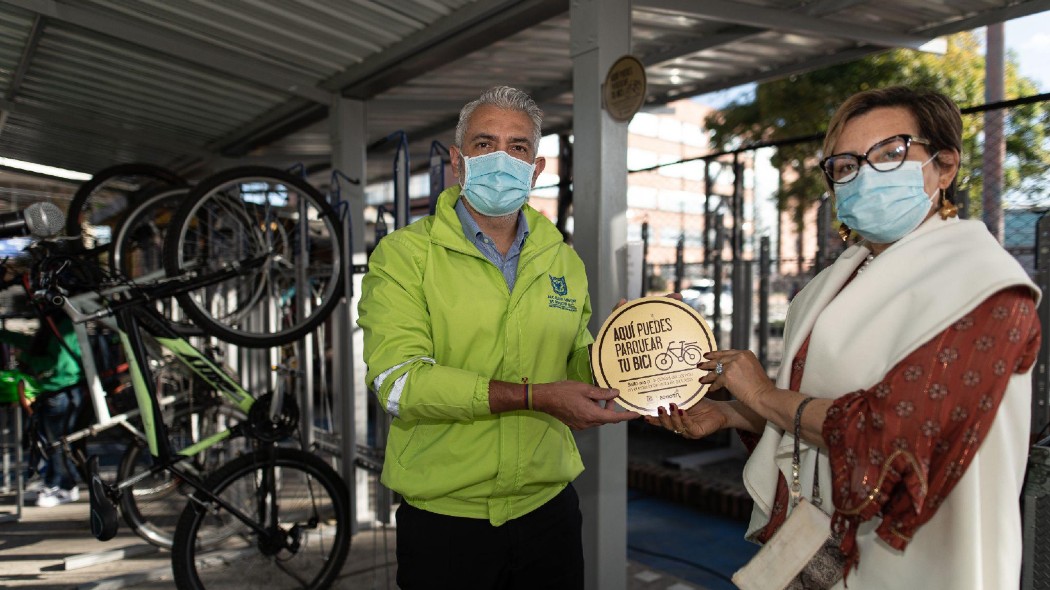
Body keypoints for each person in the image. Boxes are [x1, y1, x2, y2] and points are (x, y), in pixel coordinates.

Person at [647, 86, 1041, 589]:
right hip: (820, 551)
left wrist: (762, 395)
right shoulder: (835, 282)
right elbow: (817, 400)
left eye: (890, 154)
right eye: (847, 164)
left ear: (944, 166)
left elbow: (889, 434)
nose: (864, 175)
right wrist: (729, 412)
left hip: (922, 561)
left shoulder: (986, 288)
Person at [358, 85, 637, 589]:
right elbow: (399, 384)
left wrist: (616, 354)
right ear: (458, 160)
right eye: (485, 144)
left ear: (537, 169)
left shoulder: (563, 260)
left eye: (519, 147)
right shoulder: (405, 256)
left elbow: (574, 359)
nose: (502, 159)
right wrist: (535, 397)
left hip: (548, 512)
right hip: (446, 525)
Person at [0, 306, 85, 508]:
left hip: (61, 390)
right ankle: (55, 482)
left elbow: (56, 363)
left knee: (57, 443)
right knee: (52, 442)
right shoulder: (58, 324)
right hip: (57, 390)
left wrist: (25, 358)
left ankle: (63, 486)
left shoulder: (63, 327)